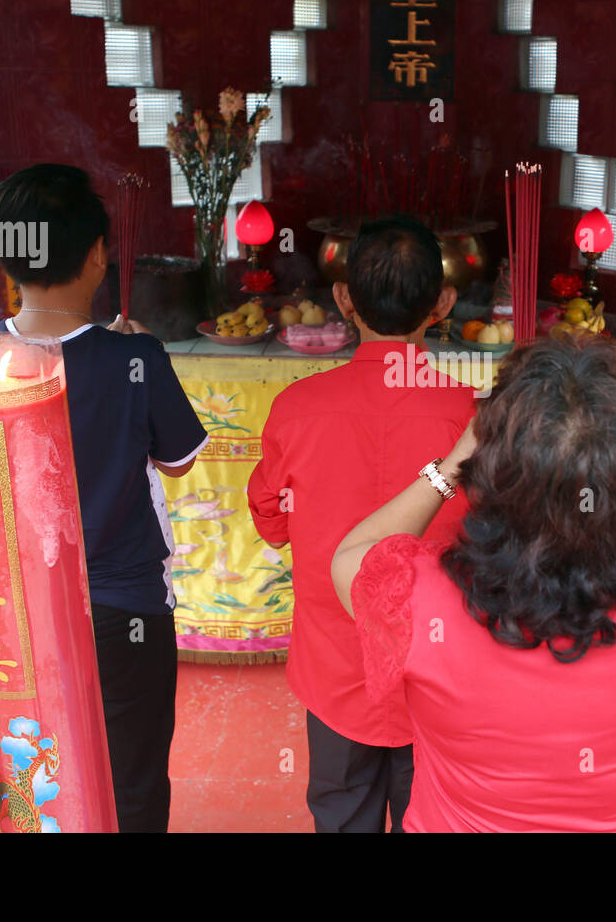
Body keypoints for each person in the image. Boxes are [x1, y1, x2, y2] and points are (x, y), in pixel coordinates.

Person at [329, 334, 616, 832]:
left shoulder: (414, 595)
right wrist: (614, 475)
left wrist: (452, 467)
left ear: (489, 466)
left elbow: (348, 556)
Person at [0, 164, 208, 832]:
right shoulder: (135, 358)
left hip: (17, 608)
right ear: (97, 254)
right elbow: (179, 462)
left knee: (30, 767)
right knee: (131, 767)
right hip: (122, 606)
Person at [247, 215, 474, 832]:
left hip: (335, 664)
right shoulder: (471, 419)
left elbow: (271, 522)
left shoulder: (298, 409)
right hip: (437, 670)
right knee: (432, 817)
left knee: (342, 814)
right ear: (443, 302)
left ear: (343, 300)